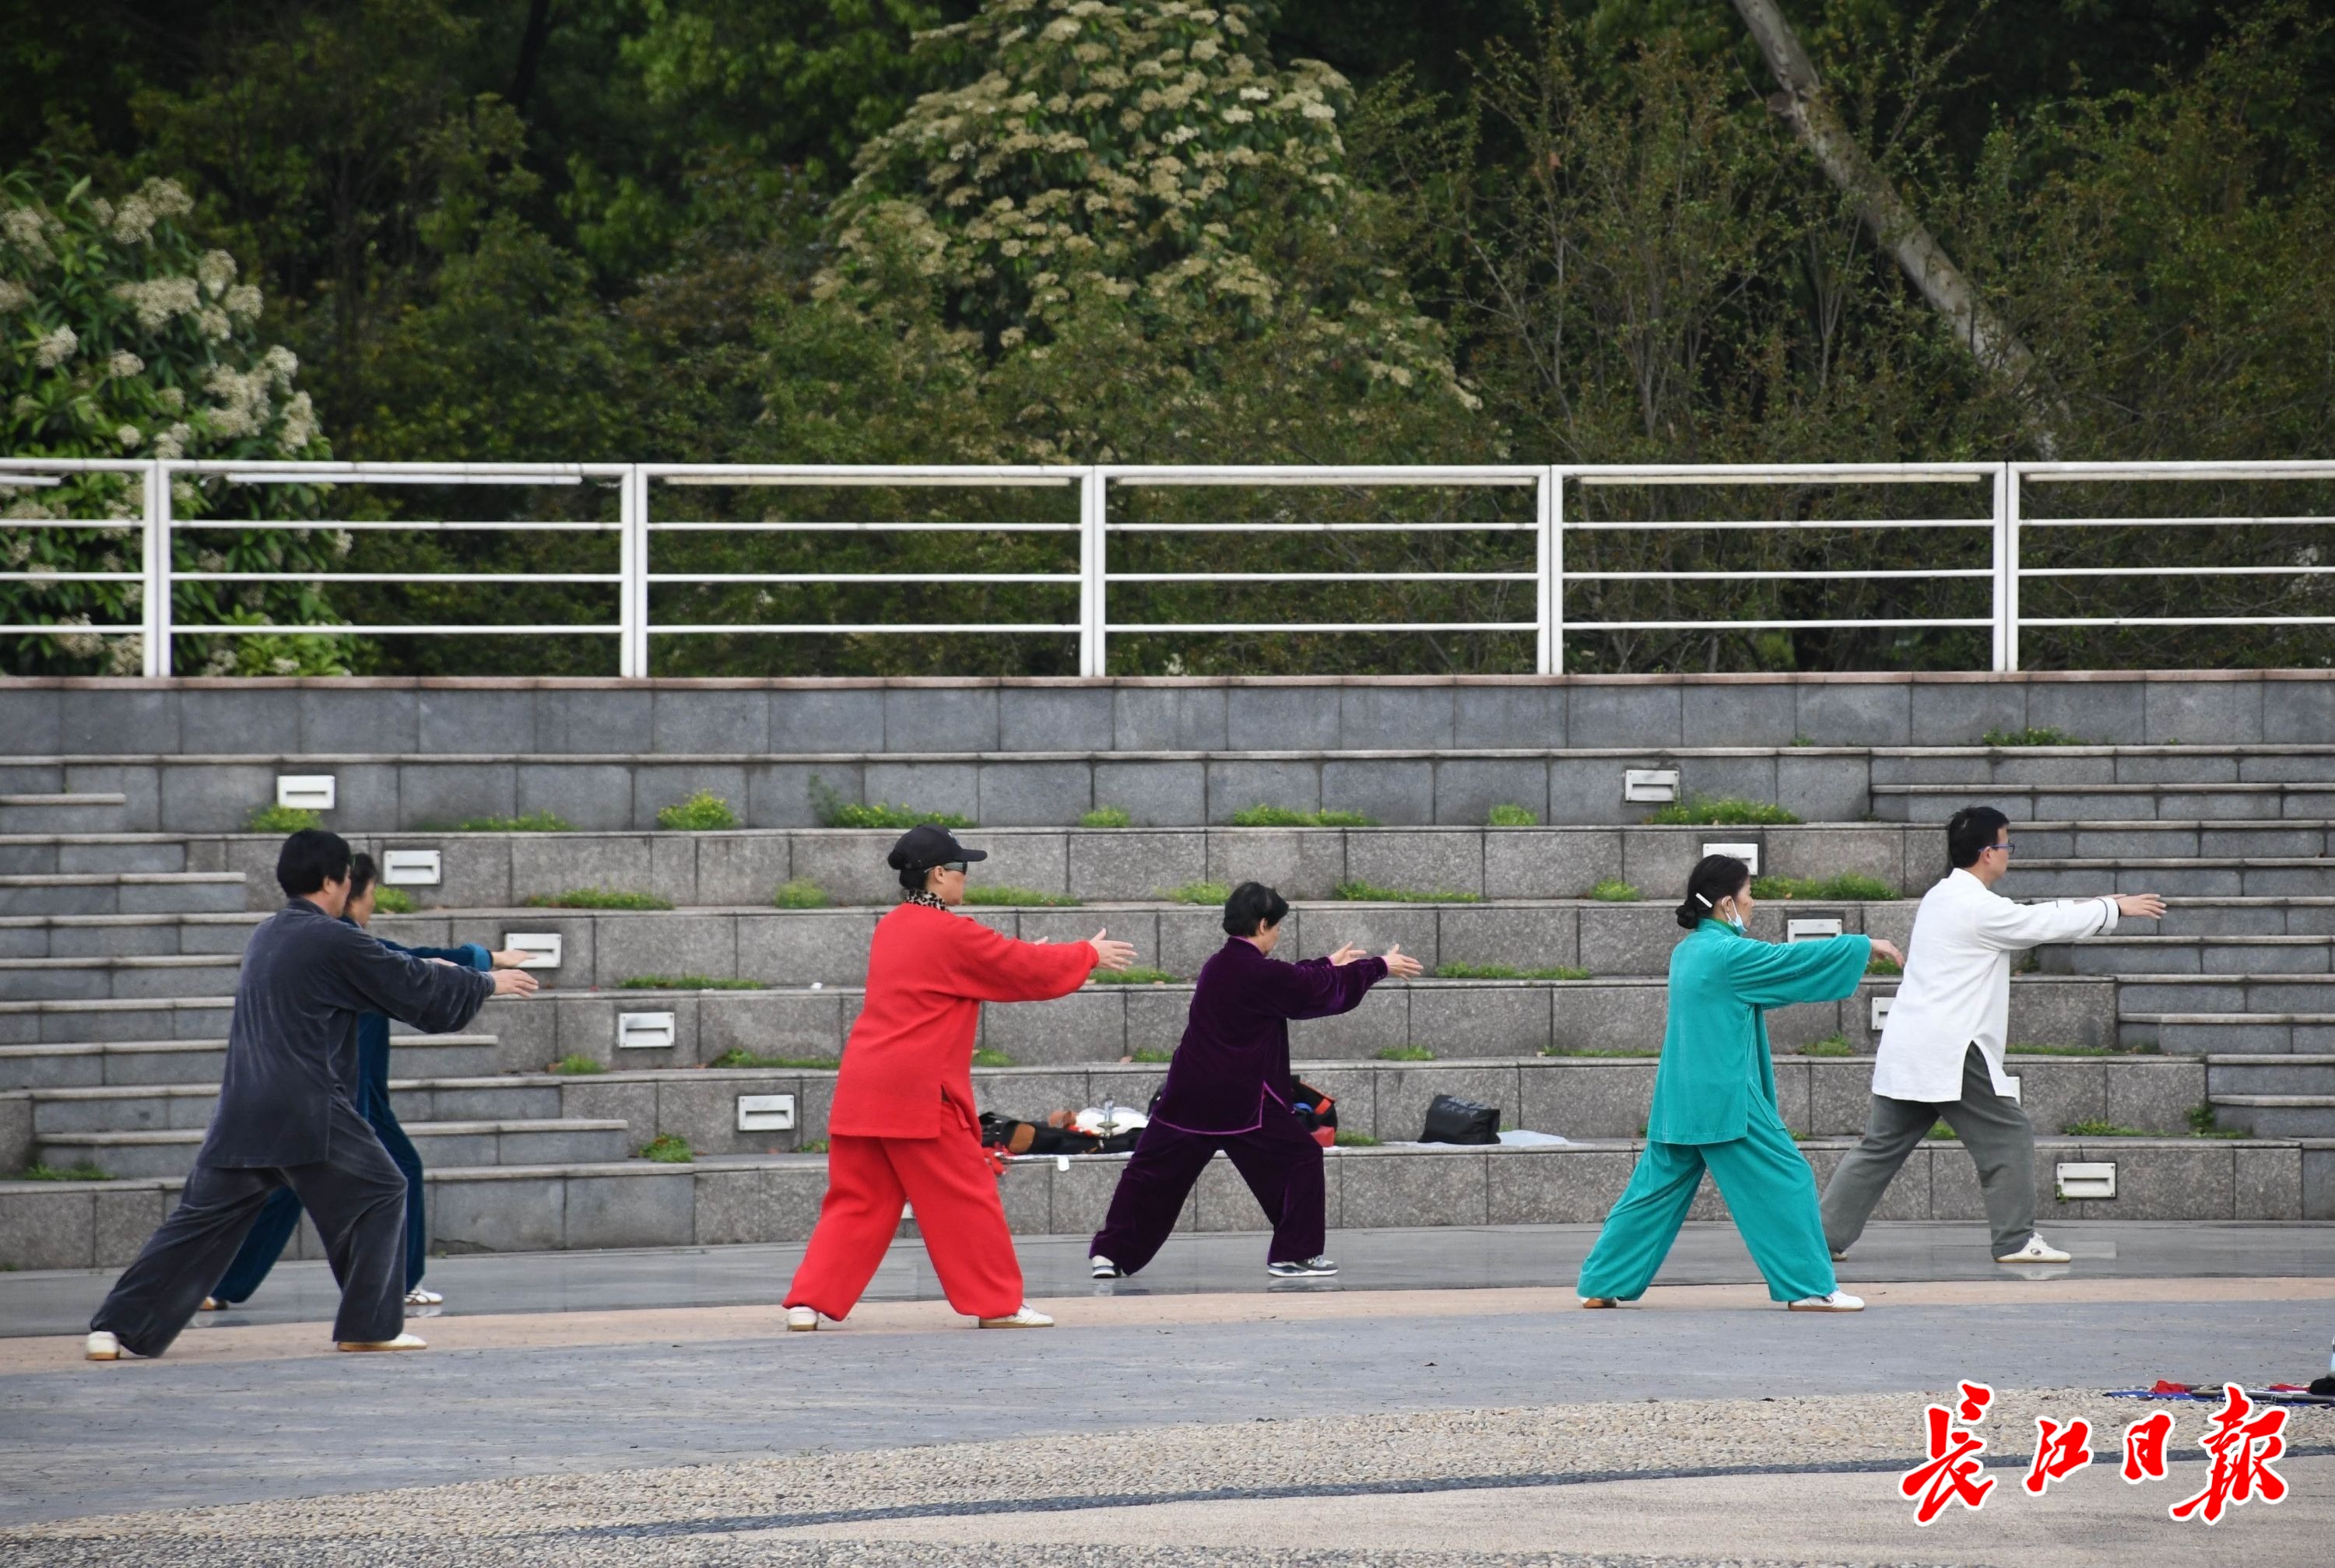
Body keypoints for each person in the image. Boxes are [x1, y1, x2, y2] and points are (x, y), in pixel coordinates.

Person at [85, 830, 537, 1360]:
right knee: (384, 1187)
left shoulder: (268, 933)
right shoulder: (331, 938)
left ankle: (113, 1328)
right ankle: (369, 1325)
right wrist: (485, 983)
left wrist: (459, 971)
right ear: (329, 881)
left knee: (197, 1223)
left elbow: (398, 970)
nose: (351, 884)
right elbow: (406, 980)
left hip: (244, 1108)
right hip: (307, 1106)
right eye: (347, 875)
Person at [781, 825, 1136, 1331]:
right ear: (939, 874)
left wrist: (1023, 958)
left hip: (863, 1087)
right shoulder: (950, 931)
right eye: (961, 869)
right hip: (919, 1092)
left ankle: (807, 1302)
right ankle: (997, 1303)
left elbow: (981, 968)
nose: (966, 879)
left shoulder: (893, 927)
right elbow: (1012, 965)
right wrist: (1086, 954)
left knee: (857, 1203)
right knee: (967, 1196)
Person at [1821, 806, 2165, 1266]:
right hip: (1952, 1047)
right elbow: (2036, 924)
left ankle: (1820, 1237)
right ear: (1988, 853)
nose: (2008, 854)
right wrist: (2111, 909)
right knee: (2008, 1134)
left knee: (1879, 1148)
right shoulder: (1976, 908)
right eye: (2007, 845)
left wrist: (2097, 906)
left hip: (1912, 1045)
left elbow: (2027, 916)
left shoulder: (1942, 897)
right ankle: (2016, 1240)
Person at [199, 852, 534, 1312]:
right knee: (395, 1176)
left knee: (281, 1187)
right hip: (342, 1098)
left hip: (310, 1096)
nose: (373, 903)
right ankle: (389, 1294)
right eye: (371, 893)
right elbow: (414, 965)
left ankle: (216, 1285)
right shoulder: (342, 946)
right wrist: (488, 973)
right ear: (342, 890)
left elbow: (414, 962)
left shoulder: (292, 938)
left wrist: (484, 961)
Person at [1575, 854, 1904, 1314]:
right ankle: (1809, 1286)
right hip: (1725, 1098)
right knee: (1787, 1178)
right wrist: (1863, 945)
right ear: (1727, 903)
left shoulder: (1688, 951)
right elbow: (1788, 963)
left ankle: (1602, 1281)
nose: (1753, 904)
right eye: (1749, 895)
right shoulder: (1726, 955)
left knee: (1652, 1195)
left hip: (1680, 1099)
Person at [1089, 882, 1422, 1282]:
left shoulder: (1219, 965)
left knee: (1151, 1173)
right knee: (1301, 1159)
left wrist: (1326, 964)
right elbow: (1316, 993)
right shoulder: (1260, 974)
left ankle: (1111, 1254)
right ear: (1263, 924)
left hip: (1187, 1097)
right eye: (1277, 926)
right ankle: (1294, 1255)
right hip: (1242, 1102)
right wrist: (1379, 966)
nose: (1279, 934)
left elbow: (1288, 981)